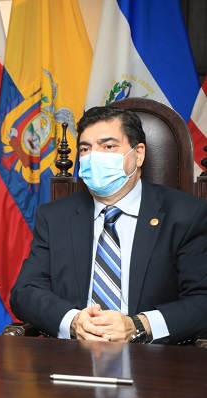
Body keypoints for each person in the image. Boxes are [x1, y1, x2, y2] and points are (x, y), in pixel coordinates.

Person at [10, 106, 207, 345]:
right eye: (85, 149)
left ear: (139, 154)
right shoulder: (54, 217)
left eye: (108, 146)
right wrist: (73, 321)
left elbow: (201, 300)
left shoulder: (186, 214)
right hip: (72, 358)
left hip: (156, 362)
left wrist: (139, 325)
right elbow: (25, 292)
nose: (94, 156)